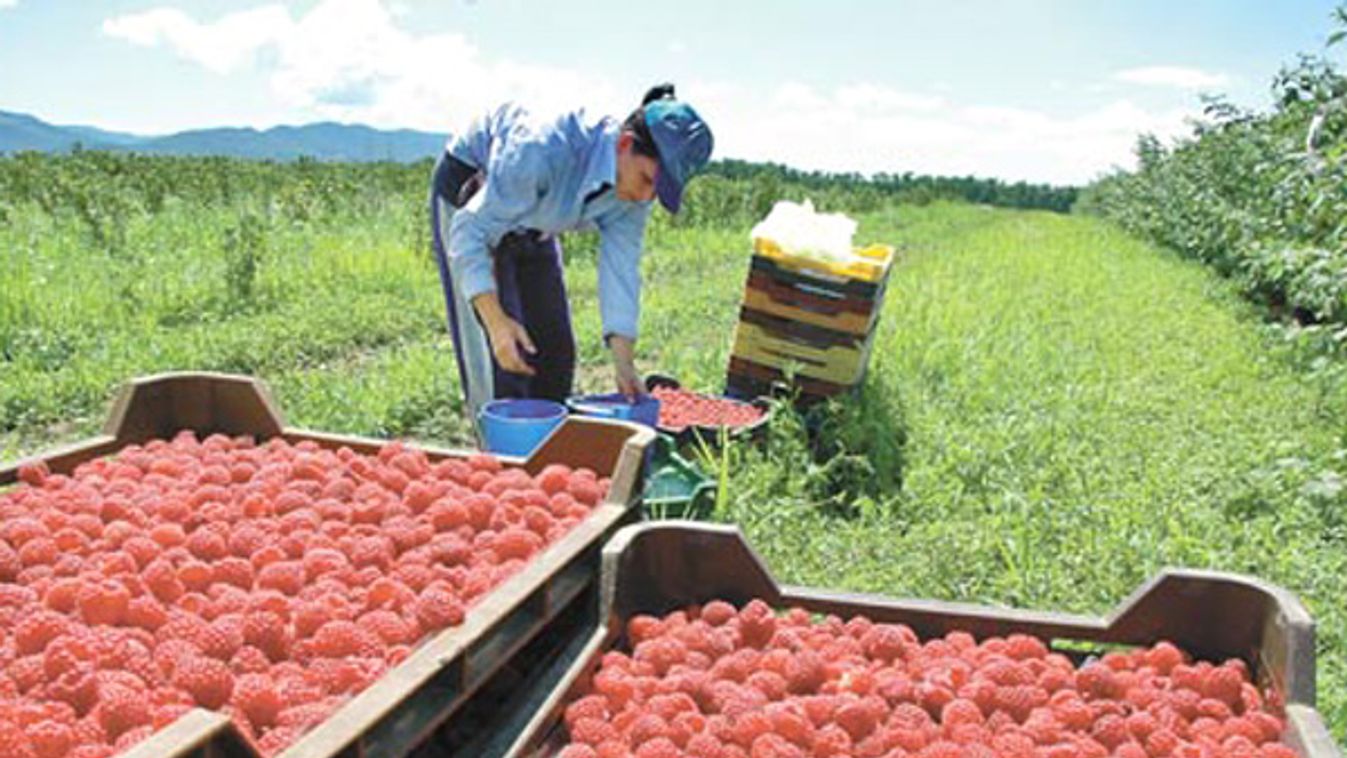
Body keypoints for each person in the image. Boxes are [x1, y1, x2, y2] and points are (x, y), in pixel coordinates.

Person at [429, 84, 714, 424]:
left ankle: (546, 458)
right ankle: (497, 459)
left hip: (539, 215)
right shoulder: (540, 150)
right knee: (503, 361)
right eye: (647, 180)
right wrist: (496, 323)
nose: (646, 197)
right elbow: (470, 232)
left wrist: (623, 364)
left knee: (553, 353)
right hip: (476, 196)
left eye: (660, 190)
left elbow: (620, 268)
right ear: (624, 144)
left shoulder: (633, 190)